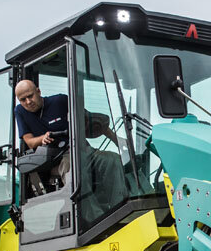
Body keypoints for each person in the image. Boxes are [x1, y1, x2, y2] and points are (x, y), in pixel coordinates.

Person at [14, 79, 127, 209]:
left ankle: (119, 207)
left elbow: (93, 123)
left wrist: (117, 140)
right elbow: (29, 141)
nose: (28, 102)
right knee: (73, 168)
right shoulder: (20, 112)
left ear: (38, 91)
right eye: (23, 100)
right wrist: (42, 139)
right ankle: (90, 216)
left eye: (30, 96)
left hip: (82, 149)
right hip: (57, 158)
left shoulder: (61, 101)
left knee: (112, 159)